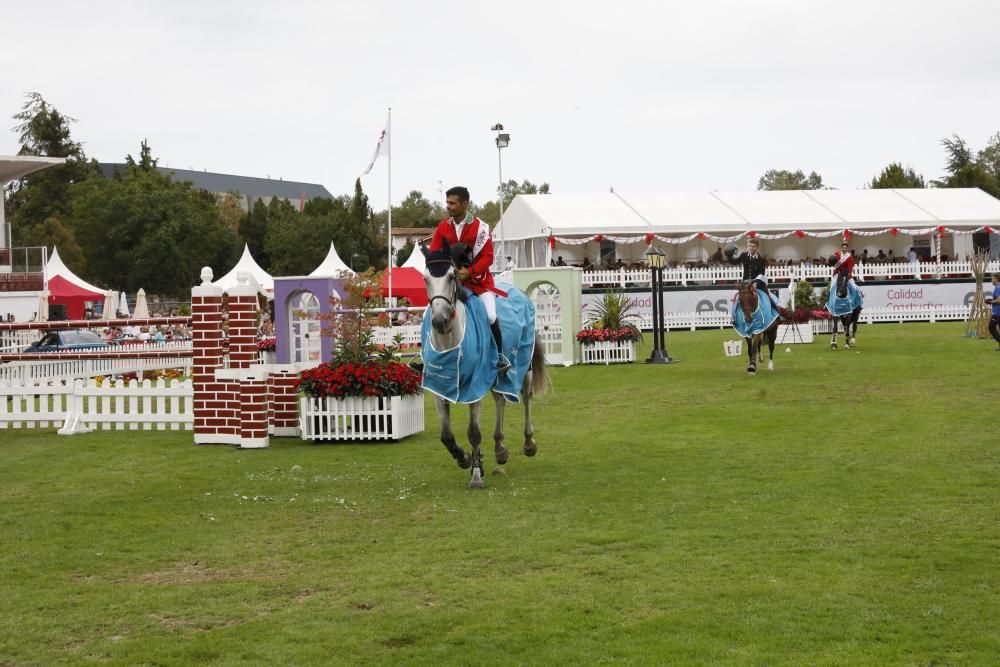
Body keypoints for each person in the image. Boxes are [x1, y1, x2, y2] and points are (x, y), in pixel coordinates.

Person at [429, 186, 510, 373]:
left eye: (452, 203)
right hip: (451, 283)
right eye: (447, 202)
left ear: (465, 204)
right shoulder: (442, 227)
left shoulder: (481, 228)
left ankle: (499, 357)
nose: (448, 206)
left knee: (490, 315)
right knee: (432, 310)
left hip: (479, 282)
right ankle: (427, 354)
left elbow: (488, 257)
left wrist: (470, 271)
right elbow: (434, 253)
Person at [725, 237, 781, 311]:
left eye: (753, 246)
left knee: (768, 297)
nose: (751, 248)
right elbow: (734, 262)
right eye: (749, 246)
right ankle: (734, 317)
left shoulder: (761, 259)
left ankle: (776, 312)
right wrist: (729, 256)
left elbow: (761, 274)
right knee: (738, 300)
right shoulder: (744, 255)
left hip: (757, 283)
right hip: (745, 283)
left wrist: (756, 283)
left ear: (757, 247)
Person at [988, 272, 1000, 351]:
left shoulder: (998, 287)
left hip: (997, 313)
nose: (991, 280)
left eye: (992, 278)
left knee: (991, 327)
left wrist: (991, 302)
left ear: (996, 279)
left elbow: (999, 300)